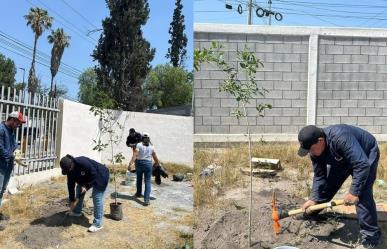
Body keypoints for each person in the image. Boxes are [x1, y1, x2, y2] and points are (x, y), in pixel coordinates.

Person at [297, 124, 381, 248]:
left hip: (366, 153)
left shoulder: (340, 137)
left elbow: (362, 165)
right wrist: (313, 199)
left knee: (363, 194)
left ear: (321, 141)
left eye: (311, 149)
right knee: (327, 186)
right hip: (343, 158)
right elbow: (320, 176)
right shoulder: (315, 150)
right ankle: (313, 212)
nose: (310, 153)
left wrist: (354, 192)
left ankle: (371, 237)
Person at [60, 154, 109, 232]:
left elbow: (94, 174)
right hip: (86, 177)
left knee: (96, 197)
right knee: (79, 189)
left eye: (69, 169)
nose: (69, 171)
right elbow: (70, 185)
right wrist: (72, 200)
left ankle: (97, 224)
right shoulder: (69, 170)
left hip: (100, 175)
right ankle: (77, 212)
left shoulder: (82, 162)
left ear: (72, 163)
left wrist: (86, 186)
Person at [0, 111, 26, 230]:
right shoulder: (1, 129)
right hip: (1, 166)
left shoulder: (11, 131)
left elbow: (14, 144)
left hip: (7, 166)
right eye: (18, 123)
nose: (18, 126)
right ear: (12, 120)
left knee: (2, 190)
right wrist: (12, 156)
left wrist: (17, 151)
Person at [128, 132, 160, 206]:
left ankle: (138, 193)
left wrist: (130, 163)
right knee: (147, 181)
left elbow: (135, 155)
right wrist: (158, 163)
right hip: (148, 164)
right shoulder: (152, 146)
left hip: (139, 163)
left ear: (141, 137)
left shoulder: (139, 145)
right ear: (149, 138)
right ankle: (146, 200)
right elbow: (154, 156)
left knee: (139, 179)